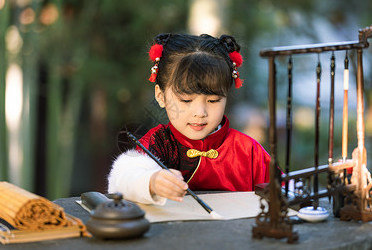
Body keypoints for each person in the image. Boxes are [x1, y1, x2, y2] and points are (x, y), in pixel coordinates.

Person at [107, 33, 270, 205]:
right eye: (186, 100)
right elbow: (121, 178)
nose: (200, 112)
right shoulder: (158, 143)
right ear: (160, 96)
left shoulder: (248, 151)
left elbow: (283, 192)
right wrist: (152, 181)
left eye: (213, 101)